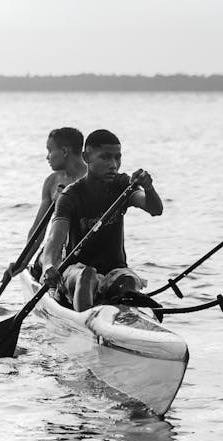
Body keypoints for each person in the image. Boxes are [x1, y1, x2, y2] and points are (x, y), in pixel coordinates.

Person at [40, 129, 163, 311]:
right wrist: (48, 266)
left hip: (113, 270)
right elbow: (54, 240)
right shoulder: (70, 195)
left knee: (128, 281)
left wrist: (149, 188)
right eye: (105, 158)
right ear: (86, 157)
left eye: (117, 158)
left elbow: (155, 209)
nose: (113, 165)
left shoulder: (123, 185)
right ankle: (86, 323)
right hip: (76, 271)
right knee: (87, 276)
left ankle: (126, 314)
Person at [4, 127, 87, 280]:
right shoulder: (52, 182)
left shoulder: (92, 179)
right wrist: (21, 263)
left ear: (64, 151)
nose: (47, 157)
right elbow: (38, 229)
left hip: (86, 249)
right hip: (54, 251)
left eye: (50, 150)